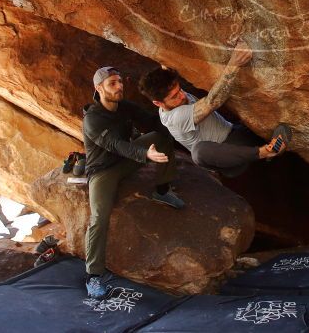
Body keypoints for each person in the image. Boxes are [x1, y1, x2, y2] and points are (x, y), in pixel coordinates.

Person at [82, 66, 185, 299]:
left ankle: (161, 190)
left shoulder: (125, 107)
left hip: (128, 160)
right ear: (99, 89)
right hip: (103, 171)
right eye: (112, 83)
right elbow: (115, 145)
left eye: (120, 81)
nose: (119, 87)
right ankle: (93, 275)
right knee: (99, 217)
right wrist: (145, 155)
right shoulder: (93, 119)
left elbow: (152, 122)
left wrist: (171, 109)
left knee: (162, 137)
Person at [138, 42, 292, 178]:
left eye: (179, 90)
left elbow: (165, 65)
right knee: (199, 152)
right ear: (158, 103)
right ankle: (266, 152)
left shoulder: (173, 96)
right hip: (228, 159)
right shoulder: (175, 118)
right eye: (174, 96)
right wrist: (234, 64)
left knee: (264, 118)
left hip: (237, 134)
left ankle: (271, 142)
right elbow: (212, 102)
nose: (182, 95)